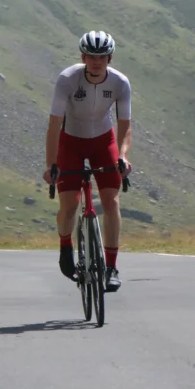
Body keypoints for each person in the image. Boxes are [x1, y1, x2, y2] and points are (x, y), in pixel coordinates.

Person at [43, 29, 133, 292]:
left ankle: (111, 266)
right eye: (91, 57)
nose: (96, 62)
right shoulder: (67, 79)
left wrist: (123, 157)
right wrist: (51, 165)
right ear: (83, 57)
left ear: (110, 58)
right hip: (70, 142)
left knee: (111, 201)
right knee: (69, 206)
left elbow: (125, 126)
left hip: (103, 142)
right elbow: (53, 125)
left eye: (102, 57)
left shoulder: (120, 83)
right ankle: (65, 245)